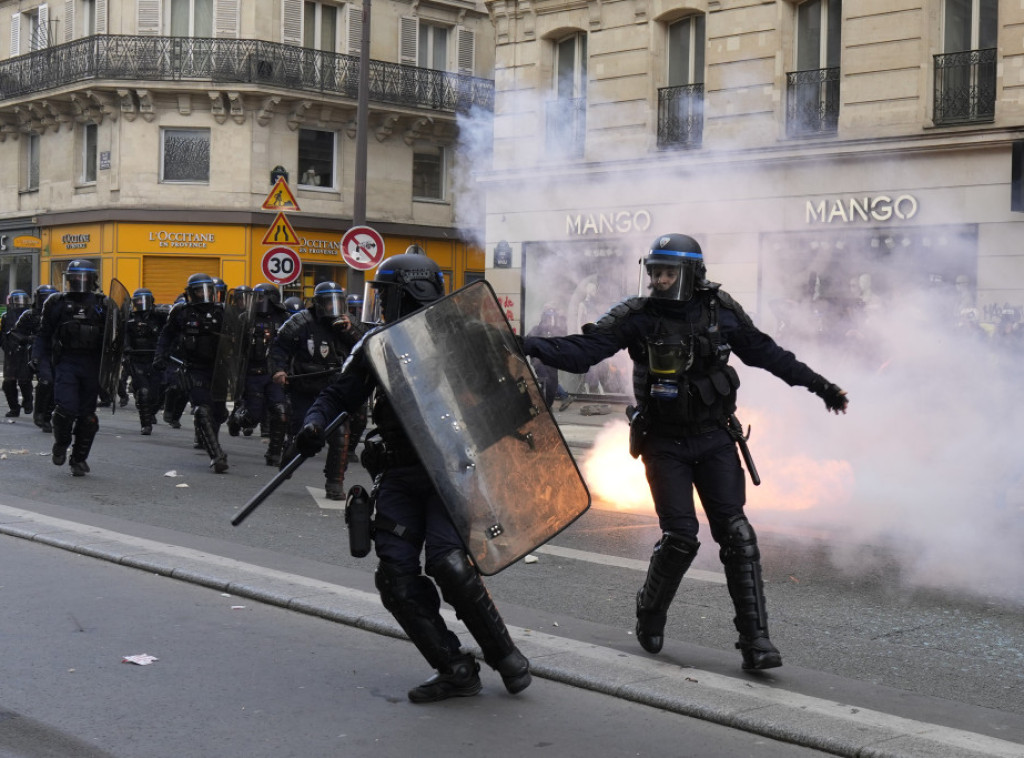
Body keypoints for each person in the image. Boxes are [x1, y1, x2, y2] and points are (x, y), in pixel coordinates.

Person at [521, 233, 849, 671]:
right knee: (681, 539)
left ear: (691, 272)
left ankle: (756, 642)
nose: (658, 280)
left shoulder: (720, 311)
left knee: (737, 535)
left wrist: (820, 386)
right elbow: (584, 352)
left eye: (668, 272)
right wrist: (524, 343)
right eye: (654, 271)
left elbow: (767, 353)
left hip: (715, 437)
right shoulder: (637, 314)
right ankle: (650, 612)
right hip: (663, 442)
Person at [292, 252, 531, 703]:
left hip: (451, 471)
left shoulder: (463, 336)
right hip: (400, 473)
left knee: (448, 563)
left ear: (411, 293)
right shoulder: (377, 346)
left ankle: (504, 655)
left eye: (387, 296)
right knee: (395, 578)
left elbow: (518, 390)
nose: (380, 305)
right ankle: (455, 668)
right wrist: (312, 424)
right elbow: (337, 394)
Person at [270, 282, 361, 499]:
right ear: (319, 304)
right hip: (305, 387)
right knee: (307, 432)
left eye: (337, 302)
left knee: (340, 435)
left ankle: (334, 483)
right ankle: (290, 458)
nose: (333, 308)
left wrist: (352, 331)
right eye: (329, 303)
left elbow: (365, 346)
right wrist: (279, 370)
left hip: (335, 389)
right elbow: (279, 347)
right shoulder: (300, 322)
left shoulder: (347, 323)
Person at [33, 260, 117, 476]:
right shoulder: (57, 303)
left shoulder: (103, 304)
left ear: (92, 280)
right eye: (76, 278)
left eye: (85, 278)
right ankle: (61, 444)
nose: (80, 282)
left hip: (92, 365)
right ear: (69, 280)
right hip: (66, 362)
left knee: (88, 417)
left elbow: (115, 338)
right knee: (65, 410)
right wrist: (39, 361)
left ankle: (79, 459)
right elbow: (43, 335)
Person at [153, 273, 230, 473]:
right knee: (202, 410)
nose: (203, 295)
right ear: (190, 293)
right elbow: (166, 335)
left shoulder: (223, 312)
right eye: (198, 290)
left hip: (218, 369)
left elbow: (238, 339)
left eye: (207, 290)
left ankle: (207, 438)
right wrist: (160, 356)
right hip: (193, 368)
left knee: (219, 412)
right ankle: (217, 456)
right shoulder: (181, 312)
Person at [227, 283, 291, 466]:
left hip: (274, 373)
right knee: (252, 417)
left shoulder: (284, 319)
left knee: (280, 412)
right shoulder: (245, 318)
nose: (259, 301)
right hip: (252, 373)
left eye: (263, 297)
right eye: (258, 297)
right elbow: (233, 346)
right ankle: (237, 420)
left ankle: (274, 453)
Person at [13, 284, 58, 431]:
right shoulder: (29, 315)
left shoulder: (61, 314)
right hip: (38, 352)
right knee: (45, 381)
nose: (45, 302)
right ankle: (37, 412)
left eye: (48, 298)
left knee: (57, 385)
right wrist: (28, 339)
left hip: (59, 353)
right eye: (43, 298)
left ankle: (47, 415)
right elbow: (15, 332)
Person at [124, 288, 168, 435]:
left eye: (144, 301)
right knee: (143, 391)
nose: (141, 304)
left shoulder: (159, 317)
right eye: (138, 301)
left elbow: (169, 331)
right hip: (137, 359)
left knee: (155, 394)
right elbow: (124, 336)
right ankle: (146, 424)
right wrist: (127, 347)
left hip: (154, 359)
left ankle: (150, 413)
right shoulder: (130, 319)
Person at [1, 290, 33, 417]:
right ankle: (14, 407)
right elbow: (2, 334)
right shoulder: (5, 317)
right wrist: (6, 346)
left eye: (22, 300)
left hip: (25, 351)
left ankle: (28, 400)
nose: (20, 303)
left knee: (25, 380)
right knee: (8, 383)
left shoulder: (30, 315)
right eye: (17, 300)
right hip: (11, 353)